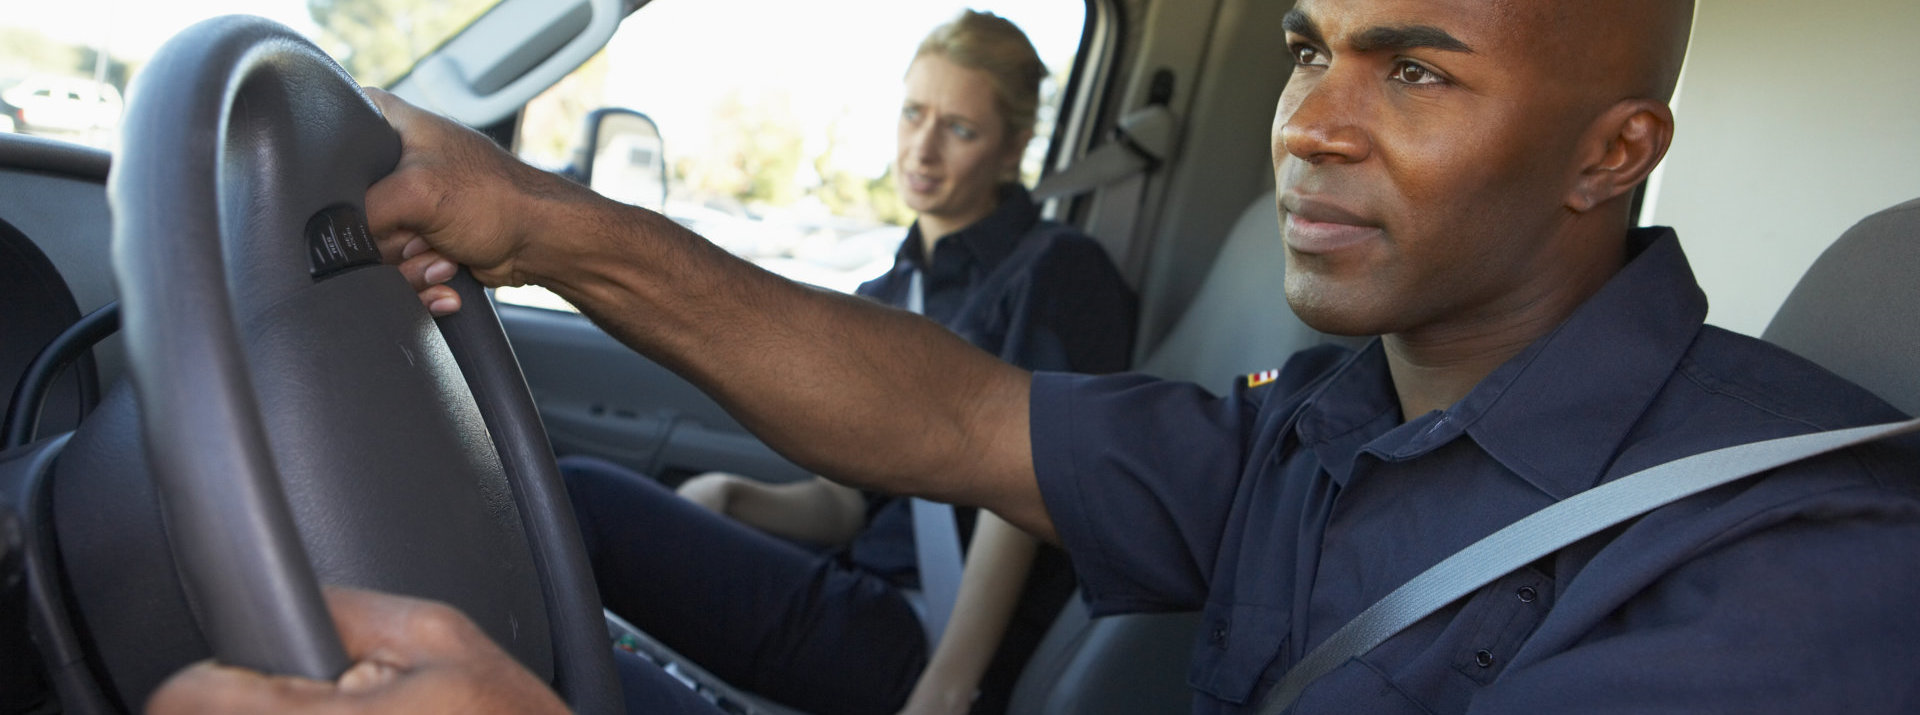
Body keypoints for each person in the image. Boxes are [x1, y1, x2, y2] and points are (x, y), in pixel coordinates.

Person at [159, 0, 1920, 711]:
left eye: (1416, 67)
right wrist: (548, 222)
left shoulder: (1800, 582)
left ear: (1612, 153)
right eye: (1311, 44)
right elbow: (966, 417)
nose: (1306, 121)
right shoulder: (1332, 420)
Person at [554, 10, 1131, 715]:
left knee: (579, 500)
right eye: (914, 113)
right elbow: (843, 502)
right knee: (605, 677)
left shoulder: (1059, 268)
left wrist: (947, 688)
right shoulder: (882, 296)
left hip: (931, 637)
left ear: (1011, 150)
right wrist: (738, 495)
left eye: (960, 129)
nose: (922, 148)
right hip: (861, 596)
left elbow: (1030, 483)